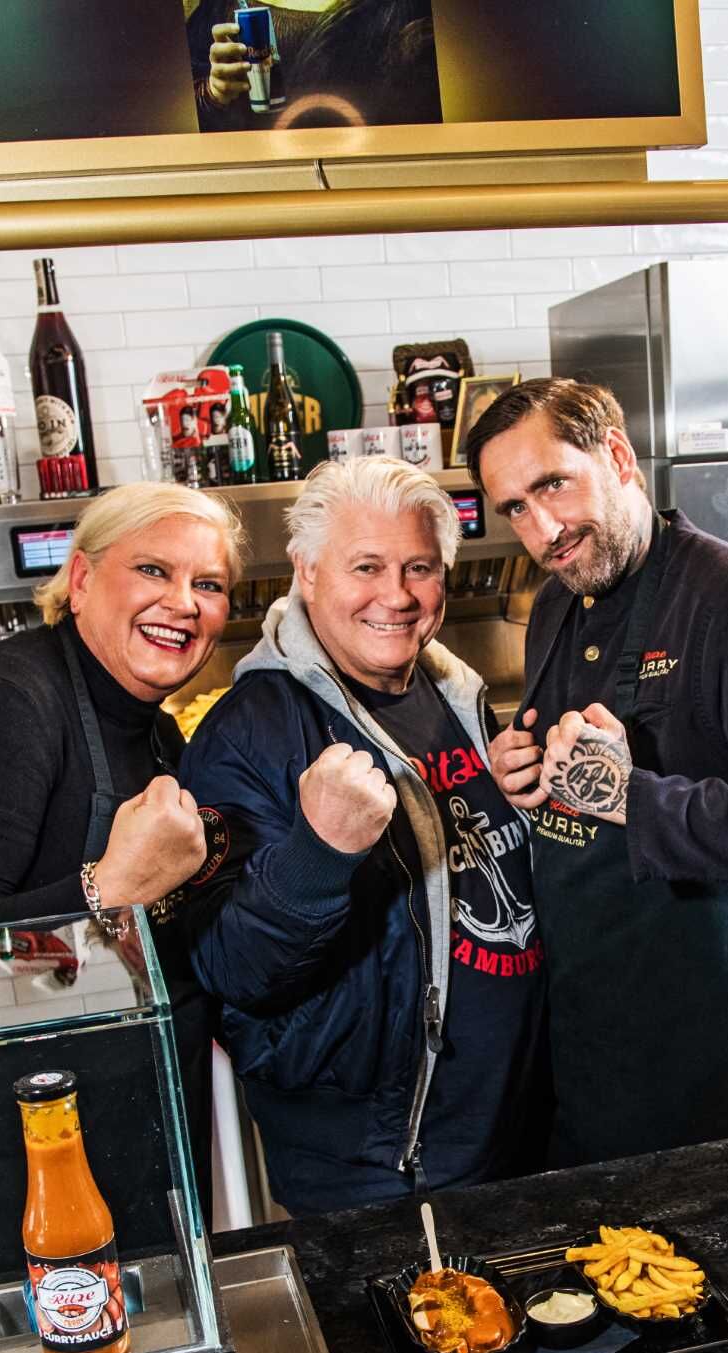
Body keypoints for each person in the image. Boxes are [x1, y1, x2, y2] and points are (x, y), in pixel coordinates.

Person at [467, 379, 728, 1168]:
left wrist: (633, 795)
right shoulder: (555, 605)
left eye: (553, 485)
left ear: (618, 456)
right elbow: (574, 787)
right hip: (597, 1049)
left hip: (720, 1056)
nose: (543, 529)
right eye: (515, 506)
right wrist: (521, 774)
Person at [0, 481, 245, 1217]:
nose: (183, 603)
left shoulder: (155, 731)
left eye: (209, 584)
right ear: (81, 579)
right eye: (153, 570)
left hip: (129, 1123)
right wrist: (111, 887)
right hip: (5, 1151)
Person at [180, 455, 547, 1214]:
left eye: (420, 567)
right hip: (382, 1166)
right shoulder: (248, 733)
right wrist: (320, 852)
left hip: (516, 1129)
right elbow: (231, 969)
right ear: (307, 571)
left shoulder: (454, 692)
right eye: (367, 566)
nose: (397, 595)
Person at [188, 0, 441, 130]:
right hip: (258, 174)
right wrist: (213, 92)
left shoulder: (400, 10)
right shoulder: (223, 7)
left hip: (371, 168)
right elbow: (177, 112)